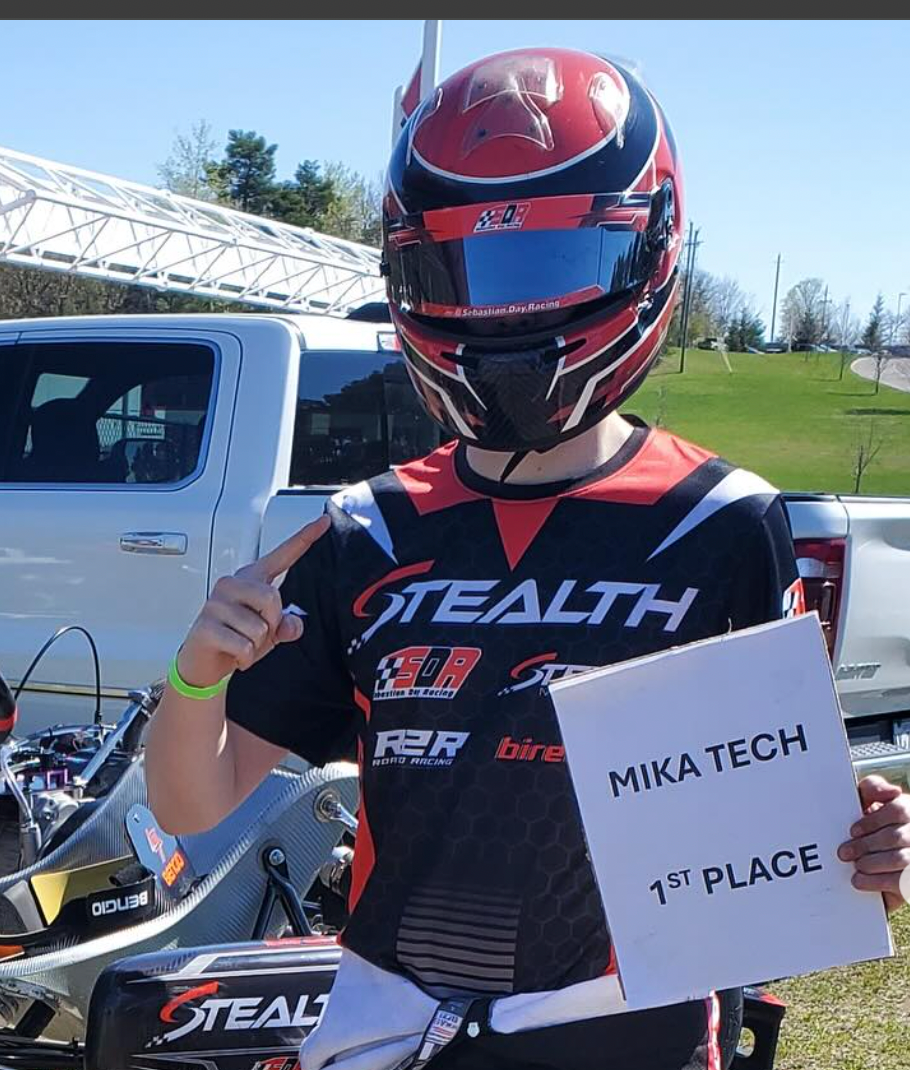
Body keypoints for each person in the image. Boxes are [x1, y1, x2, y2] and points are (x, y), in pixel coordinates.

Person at [146, 47, 910, 1070]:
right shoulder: (366, 525)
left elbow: (770, 818)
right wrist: (196, 671)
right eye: (464, 276)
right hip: (391, 1017)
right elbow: (191, 805)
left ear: (648, 255)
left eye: (548, 270)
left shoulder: (722, 520)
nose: (504, 316)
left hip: (622, 1019)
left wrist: (865, 839)